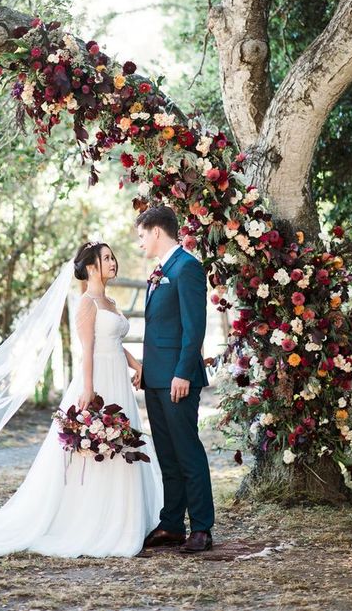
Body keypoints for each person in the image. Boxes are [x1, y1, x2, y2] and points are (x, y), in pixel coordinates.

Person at [0, 242, 162, 558]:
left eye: (113, 257)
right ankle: (92, 519)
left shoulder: (111, 301)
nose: (113, 262)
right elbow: (87, 351)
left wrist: (136, 365)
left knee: (122, 445)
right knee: (97, 448)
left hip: (119, 380)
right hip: (98, 380)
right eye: (106, 258)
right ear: (90, 267)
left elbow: (113, 341)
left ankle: (124, 517)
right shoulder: (87, 303)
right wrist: (89, 391)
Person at [136, 206, 215, 553]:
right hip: (155, 378)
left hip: (178, 378)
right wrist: (144, 369)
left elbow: (193, 326)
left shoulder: (188, 268)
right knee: (166, 454)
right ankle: (171, 524)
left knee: (187, 452)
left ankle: (201, 528)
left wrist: (183, 372)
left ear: (157, 232)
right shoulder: (160, 271)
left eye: (141, 235)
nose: (139, 243)